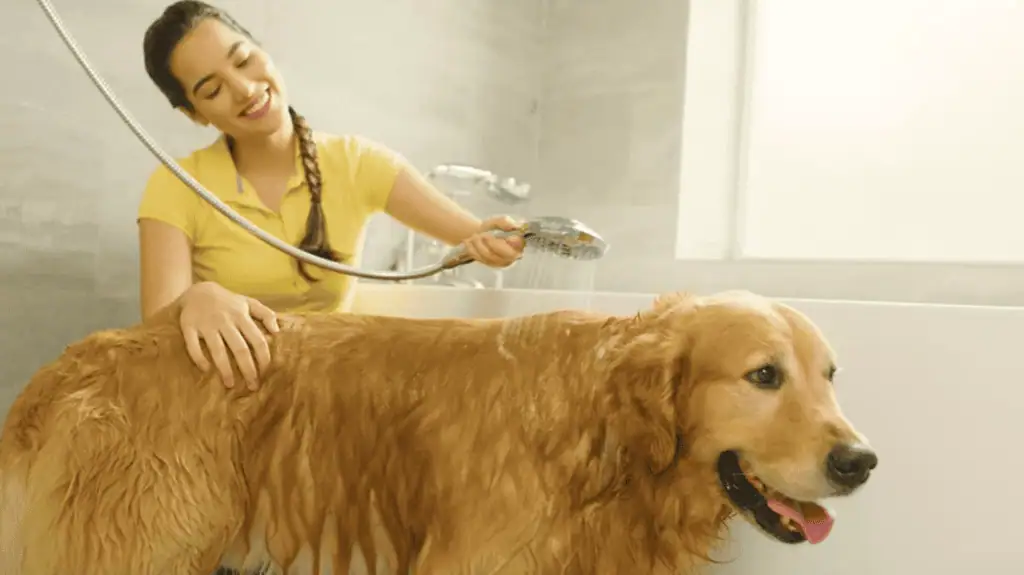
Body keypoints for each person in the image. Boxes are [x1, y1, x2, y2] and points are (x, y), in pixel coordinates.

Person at [138, 0, 525, 395]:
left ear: (262, 49)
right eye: (213, 90)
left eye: (243, 60)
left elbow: (475, 234)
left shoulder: (355, 162)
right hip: (228, 399)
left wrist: (498, 241)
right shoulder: (177, 184)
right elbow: (153, 332)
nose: (245, 89)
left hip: (329, 398)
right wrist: (196, 299)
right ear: (195, 114)